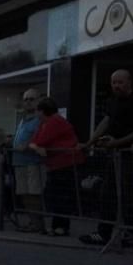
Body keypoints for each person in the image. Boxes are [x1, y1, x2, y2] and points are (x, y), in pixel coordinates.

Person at [79, 69, 133, 247]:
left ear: (129, 82)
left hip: (130, 155)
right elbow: (105, 122)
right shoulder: (112, 101)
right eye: (113, 82)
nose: (116, 86)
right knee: (107, 193)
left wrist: (119, 142)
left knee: (129, 195)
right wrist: (89, 142)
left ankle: (130, 233)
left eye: (120, 82)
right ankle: (103, 232)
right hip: (113, 154)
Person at [28, 98, 84, 237]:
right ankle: (57, 226)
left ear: (42, 111)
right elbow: (35, 141)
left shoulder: (54, 122)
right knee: (57, 194)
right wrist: (36, 146)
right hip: (57, 163)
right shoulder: (46, 123)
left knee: (62, 195)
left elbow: (40, 141)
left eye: (37, 110)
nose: (36, 114)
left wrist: (36, 146)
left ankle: (61, 227)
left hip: (65, 162)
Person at [12, 89, 46, 233]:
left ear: (39, 100)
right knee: (24, 193)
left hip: (33, 162)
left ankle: (38, 224)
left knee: (34, 193)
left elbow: (41, 138)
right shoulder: (22, 119)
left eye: (31, 99)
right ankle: (33, 222)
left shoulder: (40, 119)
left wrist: (26, 145)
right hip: (19, 161)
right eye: (25, 99)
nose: (28, 102)